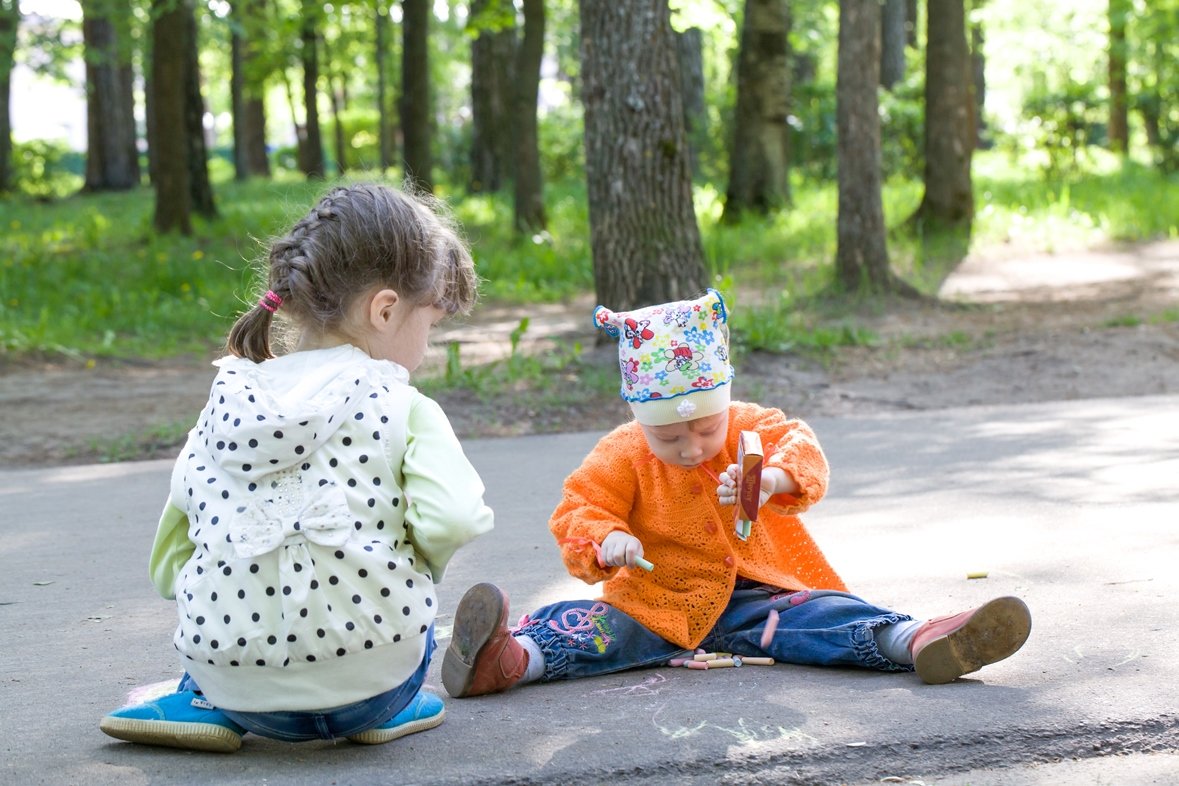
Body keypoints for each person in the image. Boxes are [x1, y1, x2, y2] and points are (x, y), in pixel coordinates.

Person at [440, 288, 1031, 698]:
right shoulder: (623, 452)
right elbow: (578, 507)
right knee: (586, 628)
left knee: (826, 620)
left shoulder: (748, 424)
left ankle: (920, 640)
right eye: (669, 437)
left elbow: (801, 444)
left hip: (760, 595)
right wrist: (608, 539)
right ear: (639, 420)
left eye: (705, 428)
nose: (693, 447)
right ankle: (509, 661)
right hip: (655, 599)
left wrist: (772, 479)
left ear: (725, 403)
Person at [100, 183, 494, 753]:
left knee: (227, 609)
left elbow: (169, 567)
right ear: (385, 309)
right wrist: (411, 565)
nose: (427, 345)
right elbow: (453, 520)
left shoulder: (226, 400)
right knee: (409, 617)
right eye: (429, 324)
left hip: (232, 679)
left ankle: (203, 701)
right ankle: (390, 708)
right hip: (375, 682)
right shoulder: (402, 404)